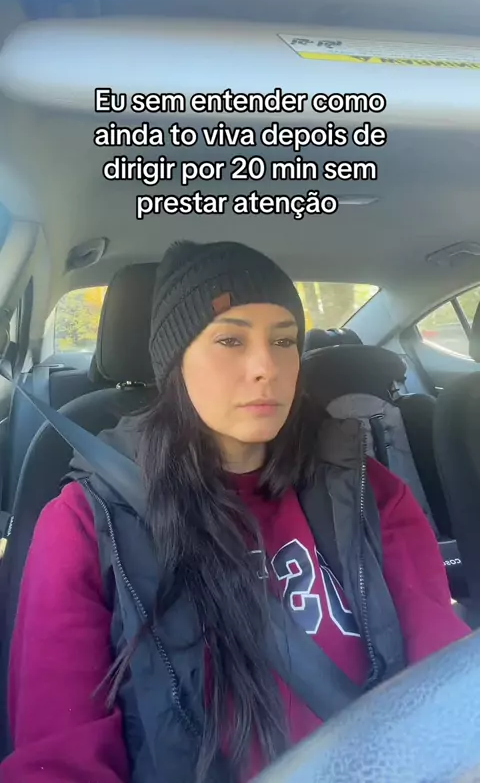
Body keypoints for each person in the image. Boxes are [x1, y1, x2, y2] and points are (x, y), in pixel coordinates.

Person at [0, 240, 470, 783]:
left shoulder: (370, 491)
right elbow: (58, 759)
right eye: (230, 339)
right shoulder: (87, 520)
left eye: (284, 340)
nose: (266, 367)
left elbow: (447, 686)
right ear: (175, 361)